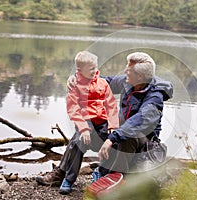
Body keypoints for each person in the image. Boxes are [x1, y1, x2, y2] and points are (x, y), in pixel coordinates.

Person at [72, 52, 173, 196]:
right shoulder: (128, 82)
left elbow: (138, 122)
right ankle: (63, 173)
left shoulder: (155, 97)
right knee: (86, 127)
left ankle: (114, 178)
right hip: (119, 136)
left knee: (130, 134)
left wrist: (111, 139)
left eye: (129, 70)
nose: (125, 71)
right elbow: (105, 82)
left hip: (142, 146)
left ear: (140, 77)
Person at [36, 50, 119, 195]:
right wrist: (83, 128)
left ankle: (101, 174)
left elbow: (111, 106)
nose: (94, 71)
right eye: (91, 69)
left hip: (103, 123)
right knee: (77, 143)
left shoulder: (103, 83)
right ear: (79, 71)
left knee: (113, 142)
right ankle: (68, 178)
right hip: (86, 122)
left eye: (95, 67)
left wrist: (113, 126)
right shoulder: (75, 86)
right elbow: (73, 109)